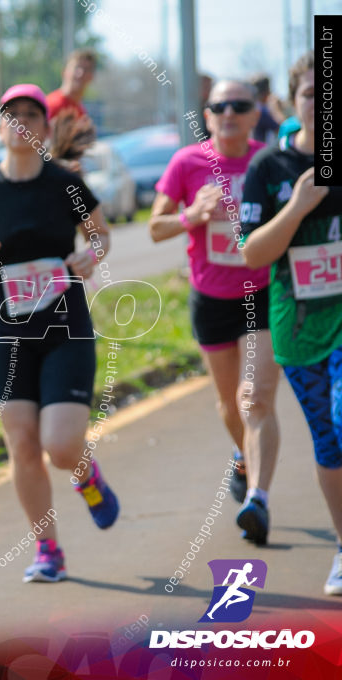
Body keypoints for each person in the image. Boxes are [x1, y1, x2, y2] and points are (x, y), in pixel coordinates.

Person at [0, 83, 118, 583]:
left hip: (65, 326)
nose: (21, 121)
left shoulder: (63, 182)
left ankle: (86, 475)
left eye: (32, 114)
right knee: (23, 445)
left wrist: (92, 254)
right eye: (11, 114)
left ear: (45, 127)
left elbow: (101, 234)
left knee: (62, 445)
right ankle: (48, 550)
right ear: (0, 127)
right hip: (7, 333)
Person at [149, 79, 280, 545]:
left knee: (255, 398)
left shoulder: (269, 160)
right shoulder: (188, 163)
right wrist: (192, 216)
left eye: (239, 105)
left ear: (254, 114)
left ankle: (257, 501)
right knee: (230, 405)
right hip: (211, 298)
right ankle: (241, 457)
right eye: (218, 106)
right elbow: (155, 228)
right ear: (207, 116)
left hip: (262, 292)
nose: (228, 112)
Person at [240, 51, 342, 596]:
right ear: (295, 103)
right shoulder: (269, 169)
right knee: (329, 445)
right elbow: (254, 254)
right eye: (311, 95)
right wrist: (299, 206)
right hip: (299, 327)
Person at [45, 49, 96, 121]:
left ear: (91, 77)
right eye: (76, 67)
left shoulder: (82, 114)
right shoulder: (49, 106)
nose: (81, 74)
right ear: (64, 72)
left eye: (86, 69)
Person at [250, 73, 285, 145]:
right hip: (260, 151)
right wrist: (276, 109)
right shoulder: (262, 111)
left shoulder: (252, 108)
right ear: (267, 92)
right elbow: (285, 129)